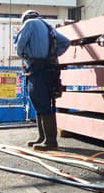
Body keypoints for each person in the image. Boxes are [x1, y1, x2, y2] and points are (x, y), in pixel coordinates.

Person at [14, 10, 70, 150]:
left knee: (40, 103)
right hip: (51, 70)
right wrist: (52, 54)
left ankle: (50, 141)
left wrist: (25, 56)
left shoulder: (29, 23)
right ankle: (43, 138)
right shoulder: (48, 27)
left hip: (37, 70)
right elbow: (66, 42)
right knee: (46, 103)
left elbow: (19, 45)